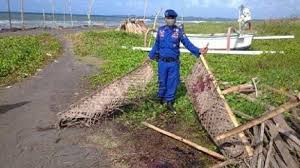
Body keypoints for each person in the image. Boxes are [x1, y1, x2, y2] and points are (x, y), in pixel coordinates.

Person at [148, 9, 208, 113]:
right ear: (165, 19)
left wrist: (198, 51)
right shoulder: (161, 30)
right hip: (162, 62)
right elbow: (157, 44)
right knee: (162, 81)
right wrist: (151, 55)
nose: (170, 20)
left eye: (172, 18)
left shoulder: (179, 32)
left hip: (173, 63)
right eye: (168, 18)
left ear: (175, 19)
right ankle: (160, 98)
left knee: (172, 82)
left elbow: (187, 44)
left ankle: (169, 102)